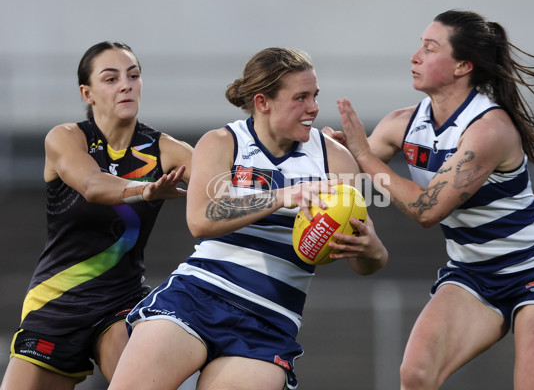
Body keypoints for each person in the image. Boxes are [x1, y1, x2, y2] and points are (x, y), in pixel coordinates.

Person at [330, 10, 534, 390]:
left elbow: (427, 209)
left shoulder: (489, 130)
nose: (415, 56)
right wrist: (317, 150)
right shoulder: (403, 123)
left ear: (462, 66)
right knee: (415, 375)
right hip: (471, 276)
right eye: (419, 45)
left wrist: (363, 155)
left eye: (429, 48)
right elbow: (349, 172)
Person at [107, 47, 389, 390]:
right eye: (300, 98)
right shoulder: (223, 142)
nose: (313, 108)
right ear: (262, 102)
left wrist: (369, 248)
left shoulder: (335, 159)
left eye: (315, 96)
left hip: (269, 320)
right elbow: (201, 219)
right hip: (197, 297)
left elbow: (369, 261)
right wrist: (281, 196)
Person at [0, 41, 193, 390]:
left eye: (133, 75)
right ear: (87, 93)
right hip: (56, 302)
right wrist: (144, 189)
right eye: (111, 78)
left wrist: (310, 154)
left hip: (121, 301)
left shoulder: (165, 148)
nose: (126, 84)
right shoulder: (65, 138)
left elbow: (226, 179)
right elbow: (91, 184)